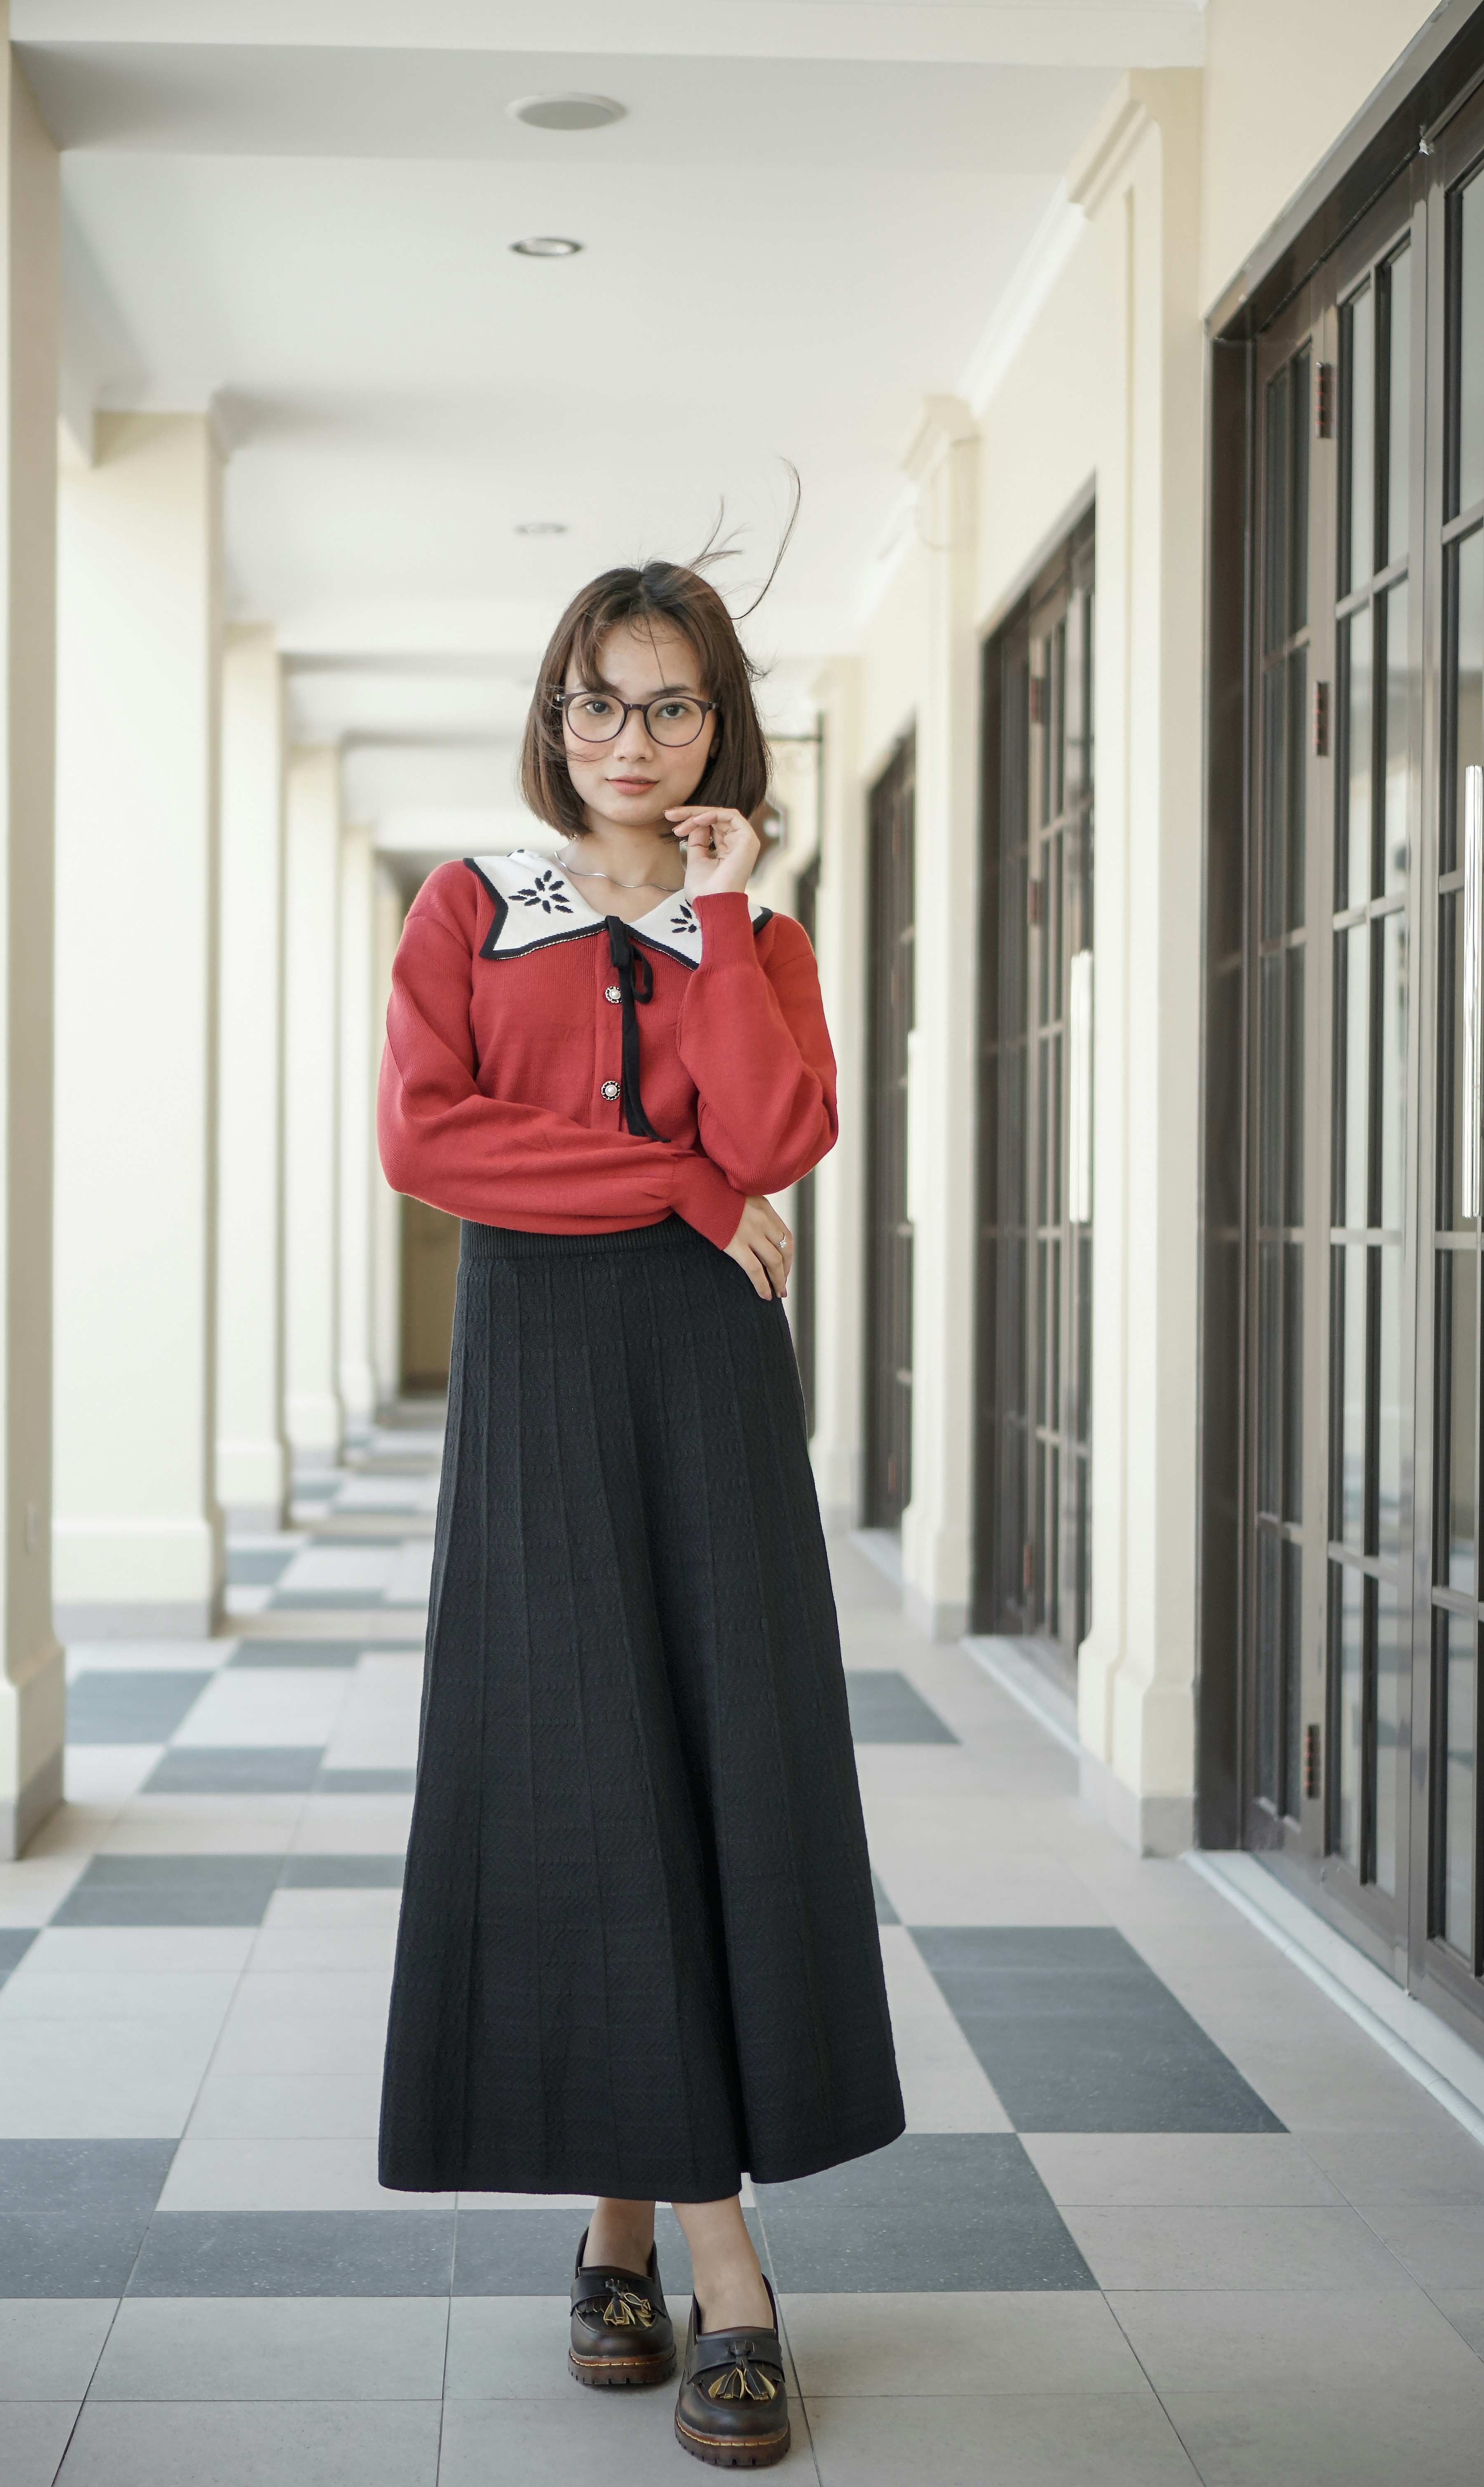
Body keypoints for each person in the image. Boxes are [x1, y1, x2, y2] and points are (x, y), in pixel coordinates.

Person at [376, 555, 903, 2469]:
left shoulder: (750, 932)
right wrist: (673, 1187)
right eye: (596, 702)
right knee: (576, 1761)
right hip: (539, 1373)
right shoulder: (468, 904)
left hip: (702, 1381)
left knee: (707, 1760)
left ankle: (624, 2229)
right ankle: (723, 2266)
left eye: (668, 705)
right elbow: (428, 1137)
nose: (625, 739)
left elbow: (776, 1141)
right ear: (551, 712)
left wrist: (729, 907)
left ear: (718, 728)